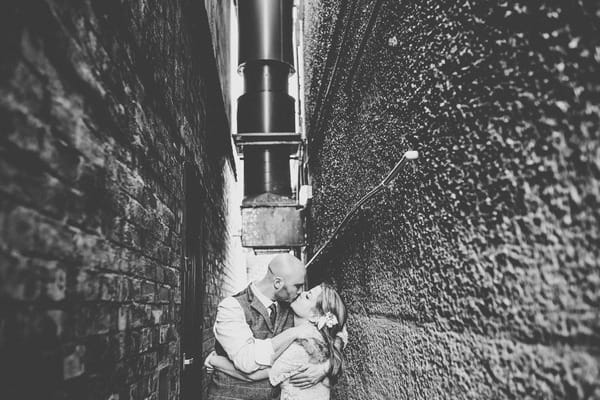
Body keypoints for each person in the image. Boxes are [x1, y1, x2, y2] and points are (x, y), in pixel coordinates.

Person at [208, 254, 330, 400]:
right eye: (297, 286)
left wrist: (324, 368)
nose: (300, 292)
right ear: (278, 283)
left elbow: (336, 331)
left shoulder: (294, 306)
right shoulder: (231, 307)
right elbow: (247, 363)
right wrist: (293, 333)